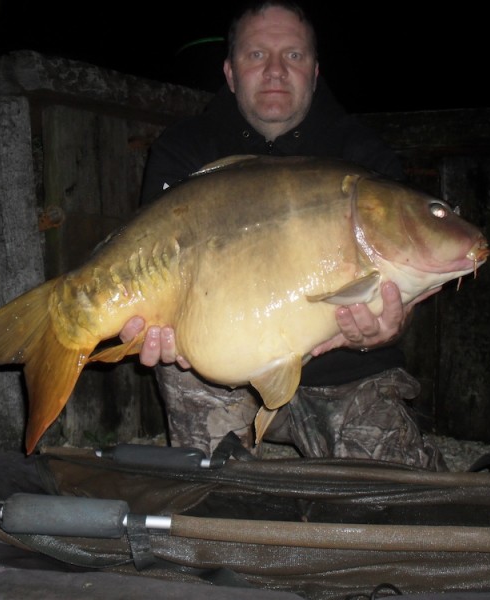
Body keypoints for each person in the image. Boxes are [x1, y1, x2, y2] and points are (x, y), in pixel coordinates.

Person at [120, 0, 446, 470]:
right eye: (256, 56)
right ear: (230, 74)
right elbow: (151, 269)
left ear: (314, 72)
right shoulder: (184, 150)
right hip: (217, 377)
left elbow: (401, 282)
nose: (275, 71)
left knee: (397, 504)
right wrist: (152, 326)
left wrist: (391, 325)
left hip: (344, 373)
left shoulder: (365, 160)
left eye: (293, 56)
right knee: (213, 499)